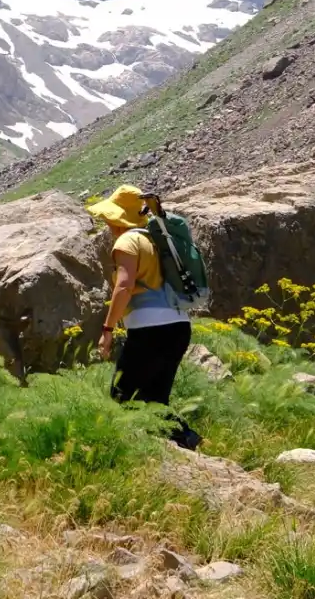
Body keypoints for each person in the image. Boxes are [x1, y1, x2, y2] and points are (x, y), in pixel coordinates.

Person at [90, 184, 202, 449]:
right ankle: (186, 440)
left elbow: (124, 286)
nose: (106, 222)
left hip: (150, 329)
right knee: (154, 400)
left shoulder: (127, 241)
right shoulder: (157, 240)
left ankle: (132, 454)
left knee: (122, 396)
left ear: (117, 218)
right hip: (178, 326)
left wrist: (107, 329)